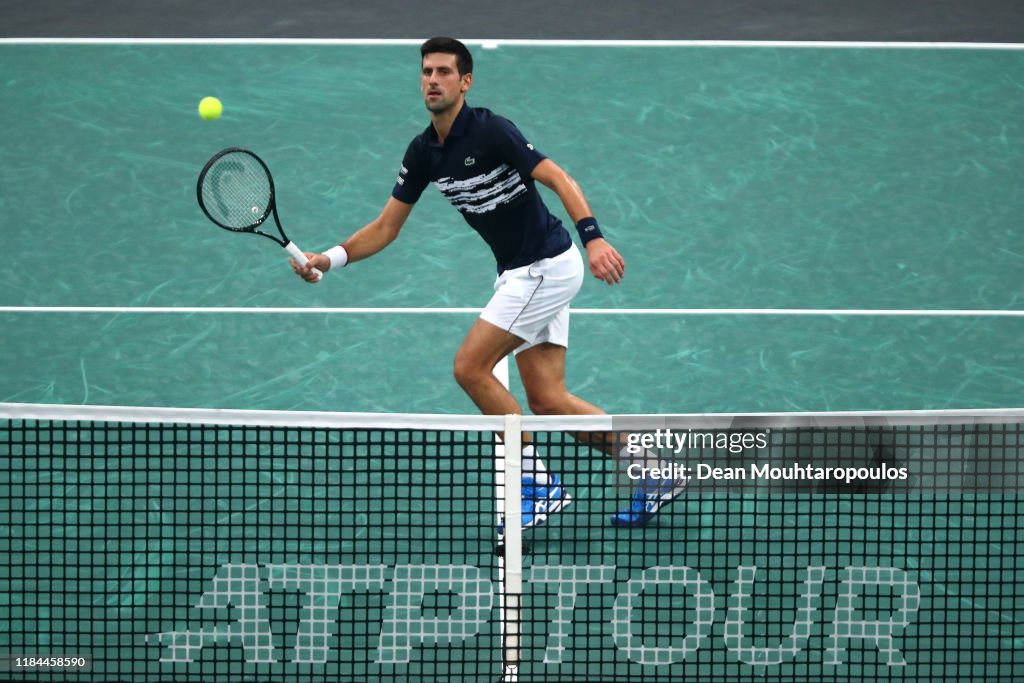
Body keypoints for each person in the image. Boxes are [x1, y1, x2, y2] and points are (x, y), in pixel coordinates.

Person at [293, 37, 682, 528]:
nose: (432, 80)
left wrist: (595, 238)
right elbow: (385, 228)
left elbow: (559, 178)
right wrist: (327, 259)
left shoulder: (491, 131)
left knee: (470, 367)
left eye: (443, 72)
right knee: (548, 400)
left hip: (544, 266)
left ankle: (537, 486)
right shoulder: (423, 152)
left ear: (465, 81)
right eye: (426, 72)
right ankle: (654, 470)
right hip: (524, 272)